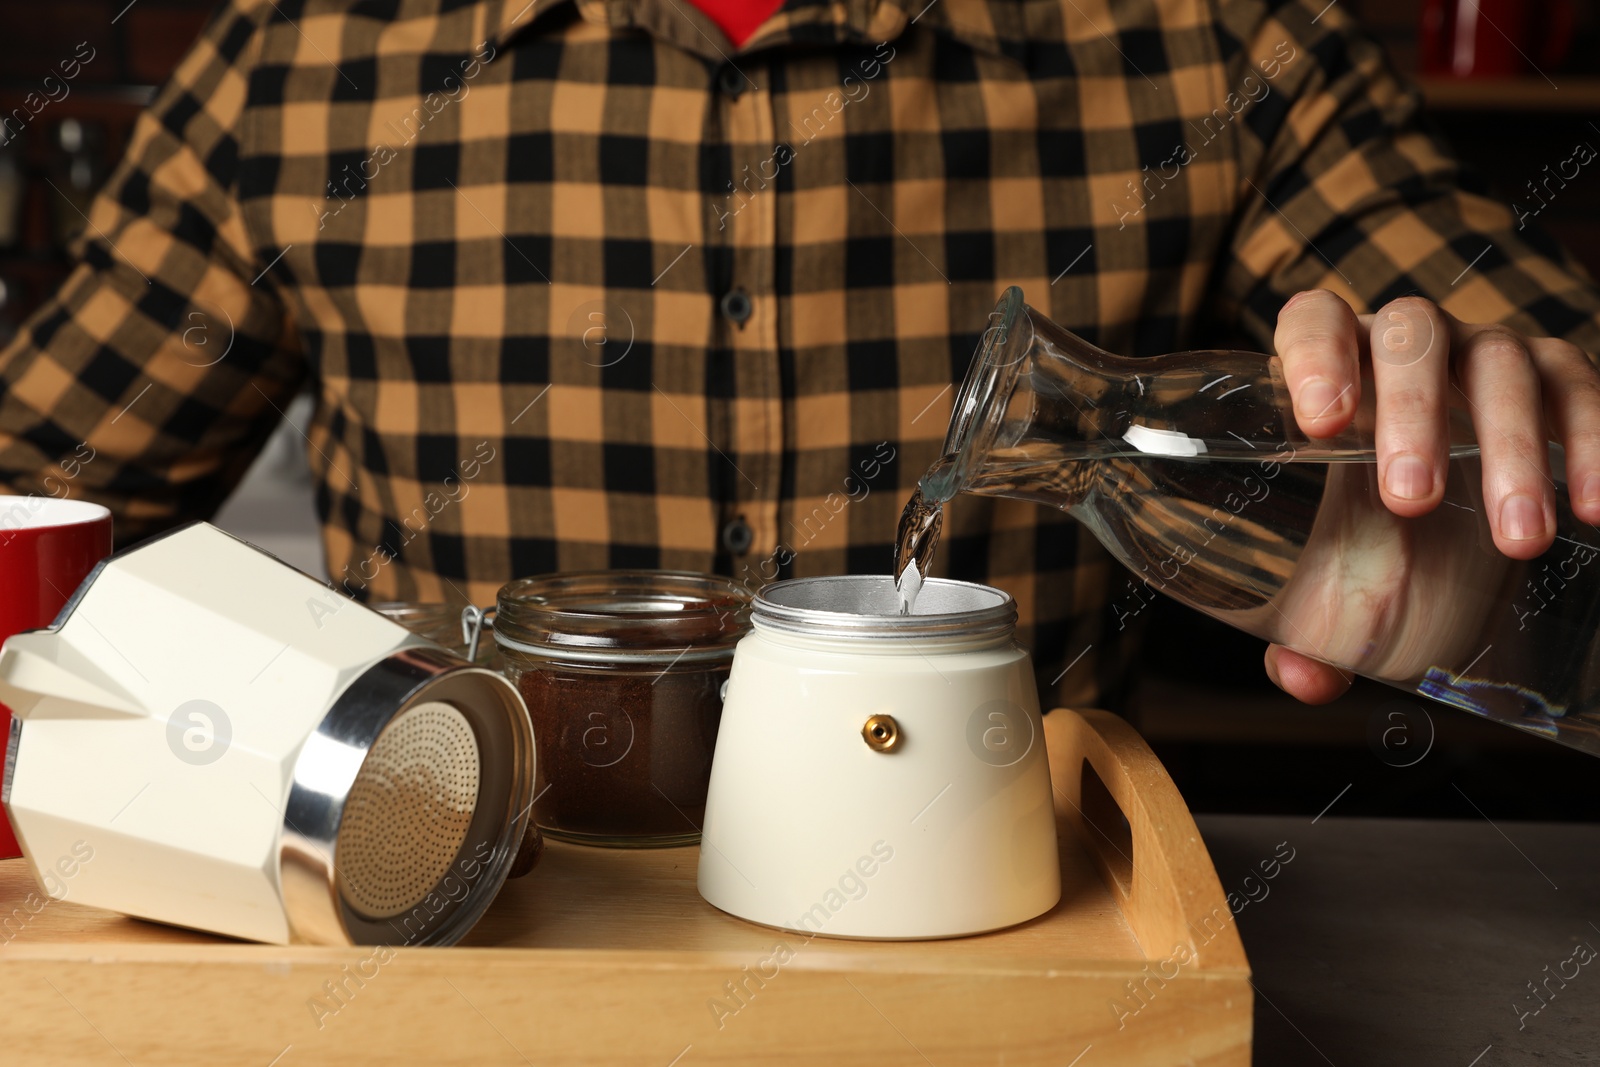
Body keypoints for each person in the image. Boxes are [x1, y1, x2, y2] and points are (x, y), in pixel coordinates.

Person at [0, 0, 1596, 713]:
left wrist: (1517, 496)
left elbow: (1520, 360)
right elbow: (32, 509)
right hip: (456, 940)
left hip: (1017, 961)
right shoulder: (305, 59)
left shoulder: (1211, 39)